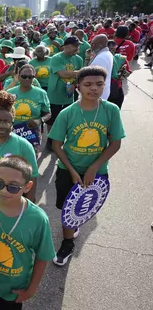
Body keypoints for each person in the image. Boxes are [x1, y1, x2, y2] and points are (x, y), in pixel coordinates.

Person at [48, 66, 125, 266]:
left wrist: (94, 167)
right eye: (88, 84)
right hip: (68, 170)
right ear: (78, 87)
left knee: (83, 207)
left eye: (99, 84)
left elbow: (115, 143)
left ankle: (70, 234)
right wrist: (73, 171)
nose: (94, 89)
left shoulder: (111, 110)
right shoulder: (68, 113)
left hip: (98, 172)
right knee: (67, 208)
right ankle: (68, 242)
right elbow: (57, 144)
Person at [0, 155, 55, 310]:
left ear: (27, 187)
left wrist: (31, 290)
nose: (4, 190)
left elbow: (42, 258)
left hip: (13, 290)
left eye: (13, 187)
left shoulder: (37, 219)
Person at [46, 37, 83, 151]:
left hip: (69, 95)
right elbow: (62, 74)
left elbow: (79, 77)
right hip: (55, 94)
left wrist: (74, 84)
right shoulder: (56, 58)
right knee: (52, 120)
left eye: (78, 46)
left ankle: (62, 141)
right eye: (75, 46)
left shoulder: (78, 59)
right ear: (66, 46)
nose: (77, 48)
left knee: (67, 120)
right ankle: (50, 141)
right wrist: (81, 72)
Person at [87, 35, 113, 101]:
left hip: (96, 94)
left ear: (100, 44)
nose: (91, 46)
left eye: (93, 44)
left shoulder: (101, 58)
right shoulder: (106, 53)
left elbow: (93, 78)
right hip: (100, 92)